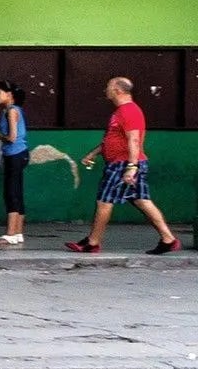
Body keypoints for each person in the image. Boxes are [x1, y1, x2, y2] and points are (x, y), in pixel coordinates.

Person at [70, 77, 180, 255]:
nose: (106, 89)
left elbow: (133, 140)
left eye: (109, 86)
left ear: (118, 90)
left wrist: (131, 166)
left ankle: (93, 242)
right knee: (142, 201)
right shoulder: (120, 112)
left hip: (122, 164)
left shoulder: (129, 111)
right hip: (124, 162)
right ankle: (168, 239)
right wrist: (93, 153)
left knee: (104, 201)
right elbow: (113, 139)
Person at [0, 83, 30, 248]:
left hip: (14, 154)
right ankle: (18, 233)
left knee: (11, 193)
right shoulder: (12, 110)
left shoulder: (11, 111)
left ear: (9, 94)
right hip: (20, 154)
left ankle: (11, 234)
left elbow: (12, 137)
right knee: (17, 192)